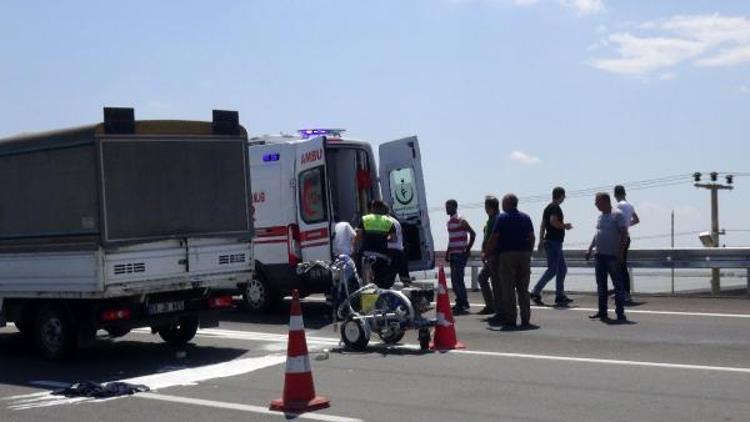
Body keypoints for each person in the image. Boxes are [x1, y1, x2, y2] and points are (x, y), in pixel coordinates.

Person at [486, 194, 535, 329]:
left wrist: (487, 252)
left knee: (508, 289)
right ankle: (525, 319)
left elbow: (494, 237)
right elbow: (532, 237)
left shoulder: (502, 217)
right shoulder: (526, 217)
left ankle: (511, 319)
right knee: (523, 289)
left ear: (507, 203)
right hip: (524, 255)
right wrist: (529, 252)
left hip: (507, 256)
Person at [585, 192, 629, 323]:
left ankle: (620, 313)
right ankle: (602, 311)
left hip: (612, 256)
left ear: (605, 201)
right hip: (599, 256)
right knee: (601, 285)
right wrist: (589, 248)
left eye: (597, 202)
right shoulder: (601, 217)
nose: (595, 204)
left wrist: (620, 252)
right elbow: (597, 234)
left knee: (617, 284)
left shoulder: (617, 215)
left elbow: (624, 234)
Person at [530, 187, 573, 306]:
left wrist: (540, 240)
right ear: (561, 195)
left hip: (552, 242)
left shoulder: (548, 207)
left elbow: (543, 225)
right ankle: (535, 292)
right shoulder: (555, 208)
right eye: (564, 196)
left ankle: (560, 295)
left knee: (562, 269)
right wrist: (565, 226)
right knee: (553, 269)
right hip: (554, 242)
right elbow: (553, 222)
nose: (564, 198)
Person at [355, 200, 397, 289]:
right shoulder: (389, 222)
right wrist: (384, 238)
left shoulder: (366, 219)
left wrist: (354, 249)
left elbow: (358, 237)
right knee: (380, 283)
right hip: (382, 256)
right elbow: (394, 239)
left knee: (364, 281)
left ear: (373, 208)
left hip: (366, 255)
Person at [445, 199, 476, 314]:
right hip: (453, 254)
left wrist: (467, 249)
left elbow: (472, 234)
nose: (447, 209)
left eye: (448, 207)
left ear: (454, 207)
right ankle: (460, 301)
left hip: (460, 254)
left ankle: (463, 303)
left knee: (458, 279)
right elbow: (451, 239)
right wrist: (448, 252)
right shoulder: (449, 223)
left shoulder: (461, 220)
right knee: (454, 280)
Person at [614, 185, 640, 305]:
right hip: (627, 237)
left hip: (619, 238)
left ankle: (624, 293)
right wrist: (627, 225)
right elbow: (636, 220)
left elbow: (614, 222)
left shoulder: (618, 206)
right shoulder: (630, 206)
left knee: (619, 266)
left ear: (615, 195)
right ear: (624, 193)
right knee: (621, 265)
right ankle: (623, 292)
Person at [477, 196, 502, 316]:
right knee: (482, 278)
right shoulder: (491, 219)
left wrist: (486, 252)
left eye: (486, 205)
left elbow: (493, 239)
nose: (485, 208)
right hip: (490, 254)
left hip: (494, 255)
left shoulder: (497, 219)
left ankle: (498, 310)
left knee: (496, 283)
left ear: (490, 206)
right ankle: (491, 306)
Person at [386, 209, 411, 286]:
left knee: (388, 280)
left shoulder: (387, 221)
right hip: (399, 251)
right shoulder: (395, 221)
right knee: (405, 278)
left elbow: (393, 238)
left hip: (391, 252)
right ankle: (409, 294)